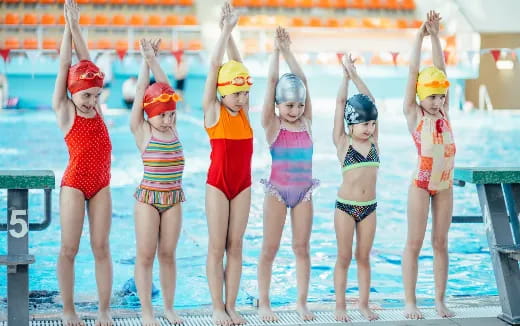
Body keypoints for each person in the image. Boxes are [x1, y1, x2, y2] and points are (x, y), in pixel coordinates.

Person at [51, 0, 113, 324]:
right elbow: (67, 67)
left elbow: (86, 63)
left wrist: (77, 27)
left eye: (96, 95)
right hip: (74, 184)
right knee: (69, 249)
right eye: (86, 95)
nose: (91, 101)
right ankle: (68, 310)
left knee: (101, 248)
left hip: (101, 184)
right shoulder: (67, 112)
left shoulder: (96, 109)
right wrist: (67, 27)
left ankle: (104, 309)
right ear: (73, 93)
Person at [257, 26, 318, 322]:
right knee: (270, 248)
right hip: (278, 192)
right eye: (289, 105)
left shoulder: (306, 123)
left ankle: (302, 302)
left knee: (301, 248)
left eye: (299, 105)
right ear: (277, 106)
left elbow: (303, 81)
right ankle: (264, 302)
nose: (295, 110)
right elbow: (271, 82)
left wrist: (289, 51)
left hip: (304, 192)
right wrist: (275, 52)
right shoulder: (273, 126)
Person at [401, 10, 456, 320]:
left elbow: (441, 68)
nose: (437, 102)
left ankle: (439, 299)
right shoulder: (415, 115)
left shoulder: (445, 115)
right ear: (421, 97)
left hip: (444, 185)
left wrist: (437, 36)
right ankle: (410, 301)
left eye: (441, 96)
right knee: (414, 242)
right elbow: (412, 73)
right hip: (420, 186)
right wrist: (420, 37)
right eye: (432, 96)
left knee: (441, 243)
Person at [201, 2, 252, 325]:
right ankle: (217, 307)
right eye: (236, 94)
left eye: (245, 93)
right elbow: (215, 65)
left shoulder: (243, 113)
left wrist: (232, 32)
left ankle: (231, 305)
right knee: (217, 246)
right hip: (218, 186)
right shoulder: (214, 112)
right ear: (222, 93)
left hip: (242, 186)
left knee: (236, 245)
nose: (242, 99)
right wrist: (224, 31)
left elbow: (238, 64)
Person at [130, 38, 184, 325]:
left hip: (174, 198)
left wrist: (155, 61)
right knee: (146, 255)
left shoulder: (172, 126)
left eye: (171, 114)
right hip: (149, 199)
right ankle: (147, 311)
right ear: (149, 115)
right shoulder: (143, 131)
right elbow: (142, 92)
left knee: (168, 254)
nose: (167, 119)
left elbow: (168, 91)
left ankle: (169, 307)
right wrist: (144, 61)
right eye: (162, 115)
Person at [332, 53, 380, 322]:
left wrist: (356, 75)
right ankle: (340, 305)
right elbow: (340, 103)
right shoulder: (343, 143)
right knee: (344, 256)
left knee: (364, 257)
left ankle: (363, 304)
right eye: (364, 124)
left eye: (372, 123)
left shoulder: (375, 142)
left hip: (369, 208)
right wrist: (344, 77)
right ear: (351, 124)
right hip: (345, 208)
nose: (370, 128)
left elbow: (371, 101)